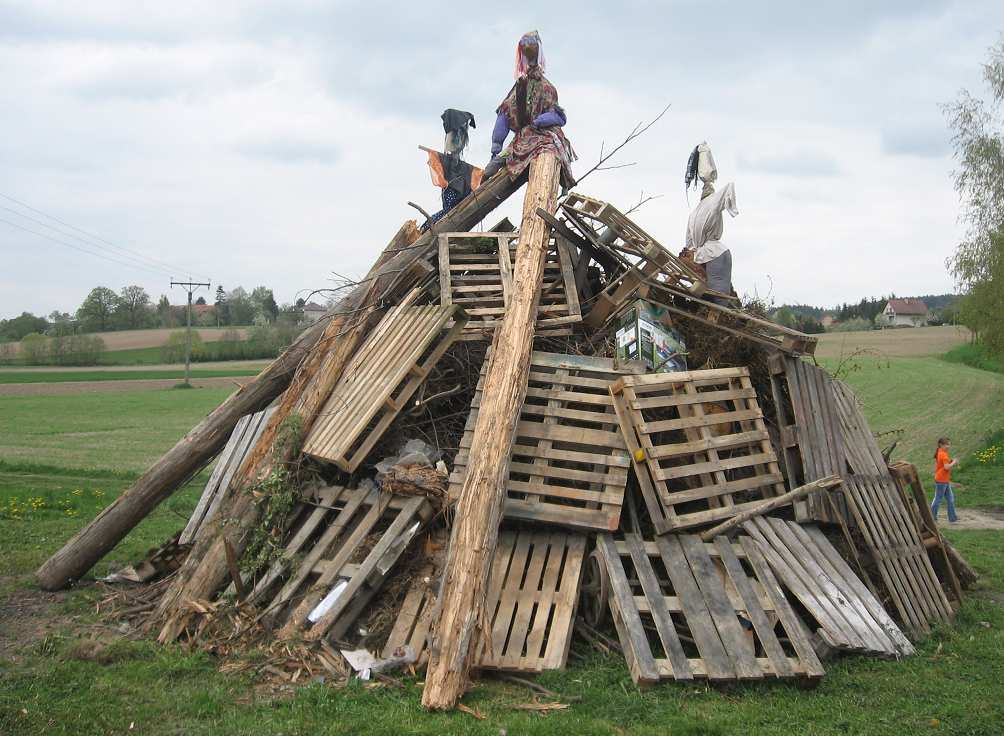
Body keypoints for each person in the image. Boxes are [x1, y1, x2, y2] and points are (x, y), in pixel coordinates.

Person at [483, 30, 576, 189]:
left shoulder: (525, 88)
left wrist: (496, 149)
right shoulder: (544, 88)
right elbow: (560, 118)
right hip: (537, 140)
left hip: (526, 142)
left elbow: (503, 117)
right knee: (498, 163)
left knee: (495, 165)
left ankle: (490, 170)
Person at [682, 142, 738, 303]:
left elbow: (689, 243)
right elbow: (729, 188)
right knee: (716, 297)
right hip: (713, 254)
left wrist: (691, 251)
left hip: (711, 254)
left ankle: (722, 317)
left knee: (717, 296)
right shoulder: (708, 205)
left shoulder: (698, 211)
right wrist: (732, 209)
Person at [421, 109, 482, 231]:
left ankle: (427, 225)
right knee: (449, 211)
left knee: (453, 211)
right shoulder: (451, 136)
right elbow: (450, 152)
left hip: (454, 176)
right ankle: (427, 225)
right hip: (451, 184)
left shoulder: (456, 136)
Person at [931, 437, 960, 522]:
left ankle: (952, 518)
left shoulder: (940, 452)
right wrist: (954, 462)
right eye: (946, 444)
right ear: (941, 445)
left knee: (950, 499)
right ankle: (932, 517)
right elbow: (946, 467)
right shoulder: (943, 454)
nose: (948, 446)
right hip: (941, 480)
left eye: (949, 444)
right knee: (938, 499)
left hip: (944, 480)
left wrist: (951, 460)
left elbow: (943, 463)